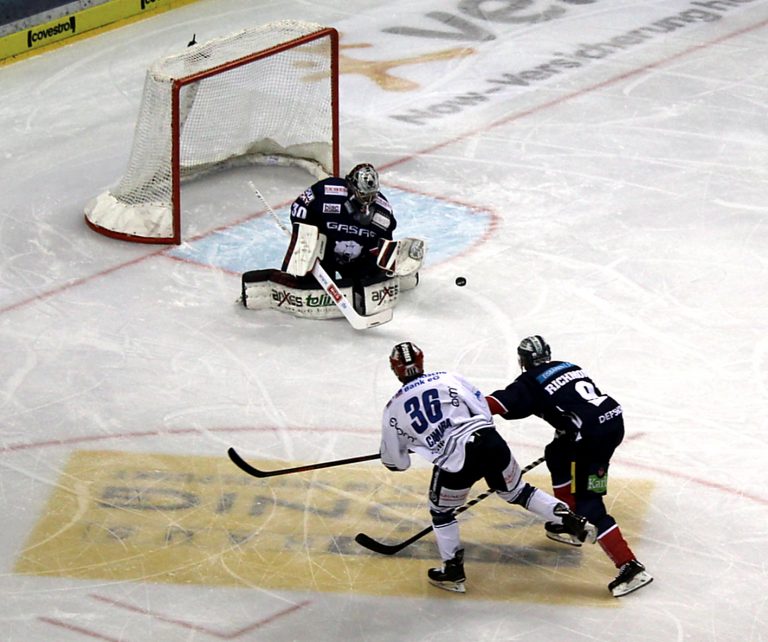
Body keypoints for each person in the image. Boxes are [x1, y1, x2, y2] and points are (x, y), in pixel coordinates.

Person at [379, 341, 596, 594]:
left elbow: (396, 463)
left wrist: (417, 443)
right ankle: (571, 520)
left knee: (441, 512)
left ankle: (453, 571)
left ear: (394, 368)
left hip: (457, 460)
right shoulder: (448, 378)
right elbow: (482, 408)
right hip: (491, 443)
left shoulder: (393, 409)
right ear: (422, 360)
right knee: (518, 492)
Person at [485, 335, 653, 598]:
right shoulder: (569, 366)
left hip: (590, 437)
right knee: (556, 454)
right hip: (612, 423)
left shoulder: (529, 381)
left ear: (524, 360)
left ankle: (629, 566)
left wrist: (463, 407)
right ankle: (570, 522)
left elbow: (500, 404)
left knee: (591, 504)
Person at [240, 164, 423, 319]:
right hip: (323, 253)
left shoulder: (383, 212)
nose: (367, 201)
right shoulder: (326, 191)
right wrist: (307, 237)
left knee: (372, 280)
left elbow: (384, 243)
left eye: (371, 196)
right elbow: (299, 208)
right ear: (351, 187)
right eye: (362, 195)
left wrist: (382, 263)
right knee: (307, 284)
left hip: (358, 258)